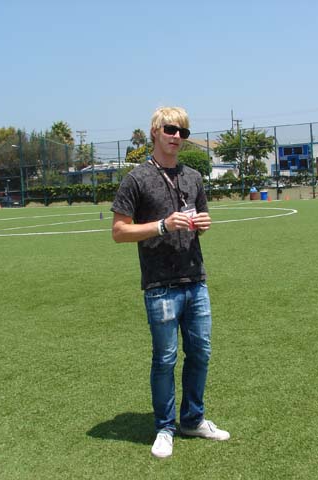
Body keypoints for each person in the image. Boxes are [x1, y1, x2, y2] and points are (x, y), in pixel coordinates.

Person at [111, 106, 229, 458]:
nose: (177, 136)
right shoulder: (136, 179)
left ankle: (193, 419)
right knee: (165, 359)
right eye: (170, 129)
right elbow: (119, 231)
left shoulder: (193, 177)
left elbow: (200, 218)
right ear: (155, 132)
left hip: (196, 280)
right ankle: (165, 427)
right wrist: (162, 225)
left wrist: (202, 225)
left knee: (200, 353)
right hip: (160, 284)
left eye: (183, 132)